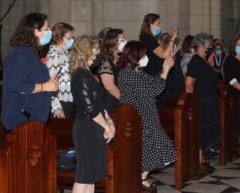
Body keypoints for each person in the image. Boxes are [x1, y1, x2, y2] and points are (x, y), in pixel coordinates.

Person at [118, 40, 177, 190]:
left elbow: (154, 84)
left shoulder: (138, 72)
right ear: (134, 56)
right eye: (143, 55)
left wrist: (164, 70)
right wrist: (165, 72)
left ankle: (141, 177)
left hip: (147, 115)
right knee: (152, 147)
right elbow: (153, 90)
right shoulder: (127, 73)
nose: (146, 57)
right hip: (137, 117)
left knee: (157, 148)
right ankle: (139, 178)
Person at [70, 35, 114, 193]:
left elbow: (99, 103)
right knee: (84, 176)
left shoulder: (88, 74)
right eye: (95, 49)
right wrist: (106, 126)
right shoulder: (79, 75)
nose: (97, 52)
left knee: (92, 176)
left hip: (94, 127)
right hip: (86, 128)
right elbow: (89, 108)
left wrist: (109, 121)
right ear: (85, 51)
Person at [2, 12, 59, 130]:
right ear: (34, 30)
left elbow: (30, 78)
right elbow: (16, 85)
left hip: (32, 119)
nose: (49, 32)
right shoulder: (21, 54)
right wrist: (45, 86)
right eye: (46, 29)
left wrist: (48, 83)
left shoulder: (30, 53)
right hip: (23, 120)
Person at [185, 33, 220, 162]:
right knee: (201, 129)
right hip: (201, 102)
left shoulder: (203, 61)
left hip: (209, 101)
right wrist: (192, 102)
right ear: (201, 45)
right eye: (208, 44)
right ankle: (199, 157)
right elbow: (189, 83)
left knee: (209, 129)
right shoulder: (195, 61)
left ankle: (204, 154)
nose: (210, 47)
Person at [47, 22, 76, 119]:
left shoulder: (66, 53)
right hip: (61, 101)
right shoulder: (55, 55)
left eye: (72, 38)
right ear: (59, 38)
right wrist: (56, 107)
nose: (71, 40)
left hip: (70, 99)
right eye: (69, 38)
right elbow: (50, 81)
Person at [95, 28, 123, 111]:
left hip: (118, 99)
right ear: (113, 42)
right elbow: (109, 86)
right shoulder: (105, 59)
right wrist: (127, 100)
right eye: (122, 40)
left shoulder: (119, 57)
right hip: (109, 101)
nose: (125, 42)